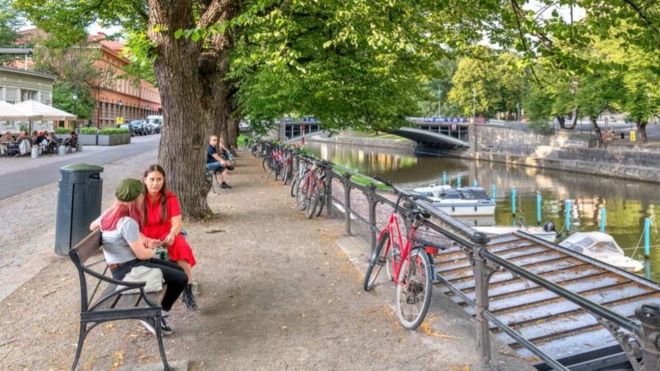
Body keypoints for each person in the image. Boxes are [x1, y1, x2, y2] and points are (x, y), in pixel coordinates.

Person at [89, 178, 188, 335]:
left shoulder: (110, 214)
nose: (143, 200)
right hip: (129, 271)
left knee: (178, 269)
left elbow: (92, 226)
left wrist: (146, 242)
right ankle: (156, 314)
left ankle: (157, 313)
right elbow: (142, 255)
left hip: (121, 267)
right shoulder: (127, 221)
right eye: (142, 196)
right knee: (181, 278)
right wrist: (154, 250)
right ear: (136, 199)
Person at [141, 165, 198, 309]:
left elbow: (177, 222)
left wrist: (172, 234)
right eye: (152, 179)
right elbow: (132, 227)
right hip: (144, 236)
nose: (155, 183)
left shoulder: (169, 197)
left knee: (181, 247)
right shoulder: (139, 199)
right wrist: (146, 240)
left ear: (163, 180)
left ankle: (188, 290)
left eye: (159, 179)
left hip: (166, 233)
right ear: (145, 180)